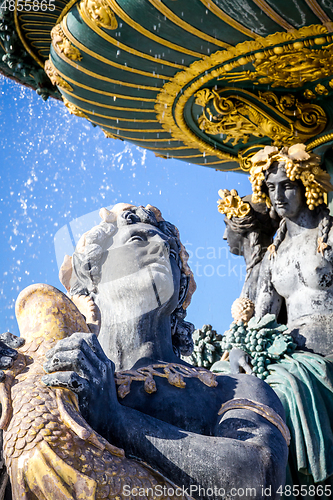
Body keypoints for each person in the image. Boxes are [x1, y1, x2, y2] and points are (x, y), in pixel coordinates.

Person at [1, 202, 287, 500]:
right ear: (91, 272)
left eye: (172, 252)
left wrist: (115, 419)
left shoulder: (232, 387)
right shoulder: (48, 372)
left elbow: (259, 475)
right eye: (138, 238)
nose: (162, 246)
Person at [247, 144, 333, 493]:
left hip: (325, 349)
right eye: (271, 188)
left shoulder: (327, 236)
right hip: (288, 352)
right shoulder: (273, 254)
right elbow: (262, 316)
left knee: (286, 390)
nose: (278, 196)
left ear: (307, 186)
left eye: (287, 186)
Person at [218, 189, 278, 303]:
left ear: (243, 226)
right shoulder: (262, 268)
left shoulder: (264, 270)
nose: (224, 236)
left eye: (227, 226)